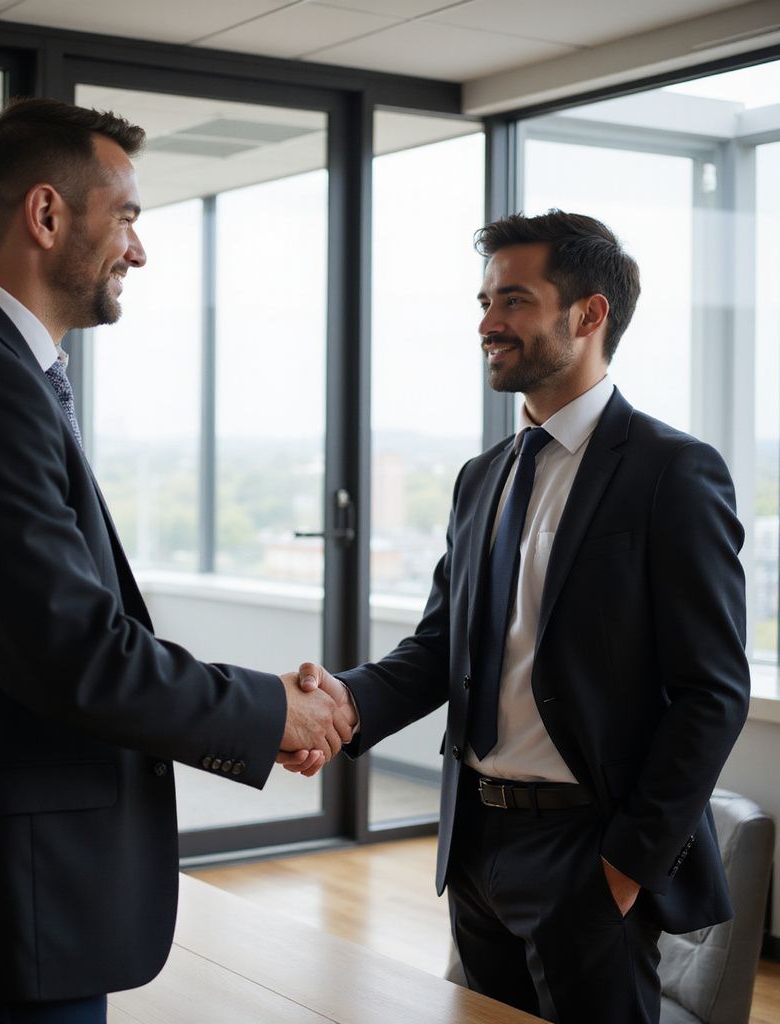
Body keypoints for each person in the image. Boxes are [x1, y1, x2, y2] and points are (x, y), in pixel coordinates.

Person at [0, 97, 353, 1024]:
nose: (138, 252)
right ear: (46, 215)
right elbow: (72, 654)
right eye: (128, 220)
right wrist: (273, 708)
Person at [281, 210, 750, 1023]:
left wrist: (621, 872)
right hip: (475, 845)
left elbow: (712, 693)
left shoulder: (672, 472)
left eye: (514, 302)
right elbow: (440, 649)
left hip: (587, 851)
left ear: (590, 314)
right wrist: (345, 707)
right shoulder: (482, 476)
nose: (487, 324)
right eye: (486, 300)